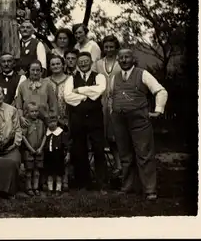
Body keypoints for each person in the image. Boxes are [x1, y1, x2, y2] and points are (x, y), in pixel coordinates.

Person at [110, 49, 168, 201]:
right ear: (118, 60)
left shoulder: (142, 74)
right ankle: (128, 187)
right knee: (125, 155)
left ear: (133, 58)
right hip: (119, 120)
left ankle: (150, 190)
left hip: (139, 119)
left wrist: (158, 110)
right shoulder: (114, 77)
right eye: (121, 58)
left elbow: (161, 91)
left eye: (127, 57)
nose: (124, 60)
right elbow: (111, 96)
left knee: (144, 154)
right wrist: (112, 111)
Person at [64, 51, 107, 193]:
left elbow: (100, 90)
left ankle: (102, 183)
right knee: (79, 150)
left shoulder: (99, 76)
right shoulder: (71, 79)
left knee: (99, 149)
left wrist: (80, 90)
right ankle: (83, 183)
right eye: (80, 61)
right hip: (78, 119)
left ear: (91, 62)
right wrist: (86, 96)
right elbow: (68, 97)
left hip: (95, 119)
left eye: (86, 61)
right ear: (77, 63)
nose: (83, 63)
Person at [96, 35, 123, 177]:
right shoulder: (99, 63)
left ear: (116, 47)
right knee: (105, 134)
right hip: (101, 102)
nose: (108, 49)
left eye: (111, 47)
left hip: (117, 101)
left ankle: (122, 164)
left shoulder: (121, 62)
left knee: (117, 134)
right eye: (106, 47)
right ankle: (110, 166)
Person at [46, 54, 71, 190]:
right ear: (49, 67)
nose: (55, 66)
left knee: (63, 149)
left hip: (66, 118)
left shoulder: (70, 80)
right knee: (50, 151)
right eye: (53, 64)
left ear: (63, 65)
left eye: (58, 64)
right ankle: (48, 180)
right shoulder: (46, 81)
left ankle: (64, 178)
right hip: (50, 121)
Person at [15, 60, 58, 127]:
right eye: (33, 70)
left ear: (41, 71)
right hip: (28, 122)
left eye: (38, 70)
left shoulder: (47, 84)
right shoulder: (22, 85)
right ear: (28, 70)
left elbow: (53, 104)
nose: (35, 73)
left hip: (44, 121)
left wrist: (51, 119)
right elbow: (19, 106)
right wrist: (21, 117)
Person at [21, 102, 47, 196]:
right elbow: (23, 137)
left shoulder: (41, 123)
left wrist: (41, 148)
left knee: (37, 171)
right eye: (32, 111)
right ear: (27, 112)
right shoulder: (26, 123)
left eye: (36, 111)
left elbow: (44, 136)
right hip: (29, 151)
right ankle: (29, 188)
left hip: (39, 150)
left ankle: (36, 187)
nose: (34, 113)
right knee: (29, 171)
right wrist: (30, 149)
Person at [44, 116, 69, 194]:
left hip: (58, 155)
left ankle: (58, 188)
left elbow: (66, 144)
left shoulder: (60, 132)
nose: (52, 124)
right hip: (49, 155)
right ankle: (50, 188)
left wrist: (67, 153)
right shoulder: (46, 133)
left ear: (57, 122)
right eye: (50, 122)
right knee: (49, 173)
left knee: (59, 173)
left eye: (54, 122)